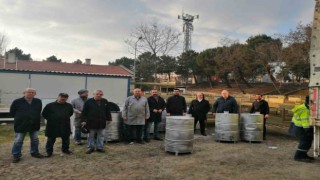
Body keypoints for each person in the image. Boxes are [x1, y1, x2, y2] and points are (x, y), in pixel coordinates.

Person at [10, 88, 43, 163]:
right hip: (21, 124)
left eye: (33, 92)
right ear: (24, 93)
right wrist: (21, 118)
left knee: (35, 140)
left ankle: (34, 152)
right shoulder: (17, 101)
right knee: (18, 140)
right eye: (29, 92)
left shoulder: (38, 101)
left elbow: (38, 111)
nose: (31, 93)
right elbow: (12, 112)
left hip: (34, 124)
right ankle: (16, 155)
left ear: (35, 94)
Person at [42, 93, 74, 157]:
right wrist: (52, 119)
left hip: (65, 124)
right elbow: (44, 114)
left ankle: (65, 150)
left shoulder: (69, 106)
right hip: (52, 125)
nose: (63, 98)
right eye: (62, 96)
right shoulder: (50, 105)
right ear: (58, 97)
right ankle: (49, 152)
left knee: (66, 139)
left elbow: (70, 113)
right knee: (51, 139)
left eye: (65, 97)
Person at [81, 90, 112, 154]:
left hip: (102, 121)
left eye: (100, 94)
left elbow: (108, 111)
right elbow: (84, 112)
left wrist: (109, 118)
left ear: (102, 95)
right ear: (93, 94)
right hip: (91, 122)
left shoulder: (105, 101)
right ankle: (90, 147)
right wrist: (83, 120)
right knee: (91, 135)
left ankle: (99, 148)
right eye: (97, 94)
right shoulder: (88, 102)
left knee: (101, 135)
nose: (99, 95)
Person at [291, 95, 314, 163]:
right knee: (305, 142)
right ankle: (298, 156)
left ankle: (303, 154)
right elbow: (305, 122)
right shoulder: (305, 110)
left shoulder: (302, 106)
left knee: (307, 141)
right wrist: (309, 131)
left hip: (296, 127)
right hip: (300, 128)